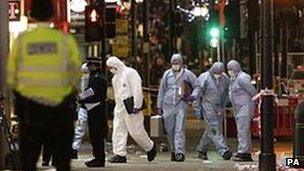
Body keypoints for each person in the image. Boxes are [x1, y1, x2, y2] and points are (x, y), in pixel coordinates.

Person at [6, 0, 81, 170]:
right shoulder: (65, 40)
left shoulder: (22, 41)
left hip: (30, 110)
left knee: (28, 162)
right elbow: (75, 73)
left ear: (31, 16)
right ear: (53, 15)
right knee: (62, 162)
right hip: (59, 110)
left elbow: (11, 77)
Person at [106, 56, 157, 163]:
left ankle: (150, 147)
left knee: (136, 131)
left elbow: (137, 89)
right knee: (118, 130)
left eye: (111, 67)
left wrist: (137, 105)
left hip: (132, 108)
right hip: (120, 108)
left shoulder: (130, 73)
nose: (110, 69)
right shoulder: (115, 78)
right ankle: (119, 154)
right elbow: (117, 95)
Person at [187, 62, 233, 161]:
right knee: (214, 128)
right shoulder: (204, 78)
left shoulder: (224, 78)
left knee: (210, 130)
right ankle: (224, 150)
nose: (218, 75)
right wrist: (197, 110)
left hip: (218, 108)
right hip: (208, 107)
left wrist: (225, 104)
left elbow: (226, 92)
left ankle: (201, 149)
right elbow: (197, 93)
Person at [157, 54, 197, 162]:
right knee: (170, 130)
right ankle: (174, 150)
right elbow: (162, 90)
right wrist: (159, 106)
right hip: (167, 105)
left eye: (177, 63)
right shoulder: (167, 74)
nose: (175, 65)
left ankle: (180, 152)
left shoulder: (188, 74)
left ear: (181, 63)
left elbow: (198, 86)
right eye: (173, 63)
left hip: (181, 105)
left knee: (179, 129)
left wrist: (192, 96)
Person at [78, 57, 108, 167]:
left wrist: (82, 99)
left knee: (97, 136)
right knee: (94, 136)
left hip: (97, 110)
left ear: (94, 66)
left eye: (90, 65)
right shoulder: (95, 76)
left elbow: (97, 95)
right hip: (93, 110)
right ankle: (97, 157)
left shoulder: (98, 78)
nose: (89, 67)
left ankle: (99, 159)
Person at [227, 60, 257, 162]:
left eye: (230, 69)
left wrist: (256, 101)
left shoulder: (242, 78)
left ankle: (243, 152)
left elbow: (252, 91)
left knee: (243, 130)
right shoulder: (233, 79)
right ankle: (244, 151)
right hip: (239, 108)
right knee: (242, 130)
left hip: (244, 107)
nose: (229, 71)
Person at [71, 63, 90, 159]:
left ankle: (74, 149)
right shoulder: (80, 80)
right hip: (83, 107)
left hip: (89, 106)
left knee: (80, 129)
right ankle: (74, 149)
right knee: (79, 129)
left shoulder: (93, 79)